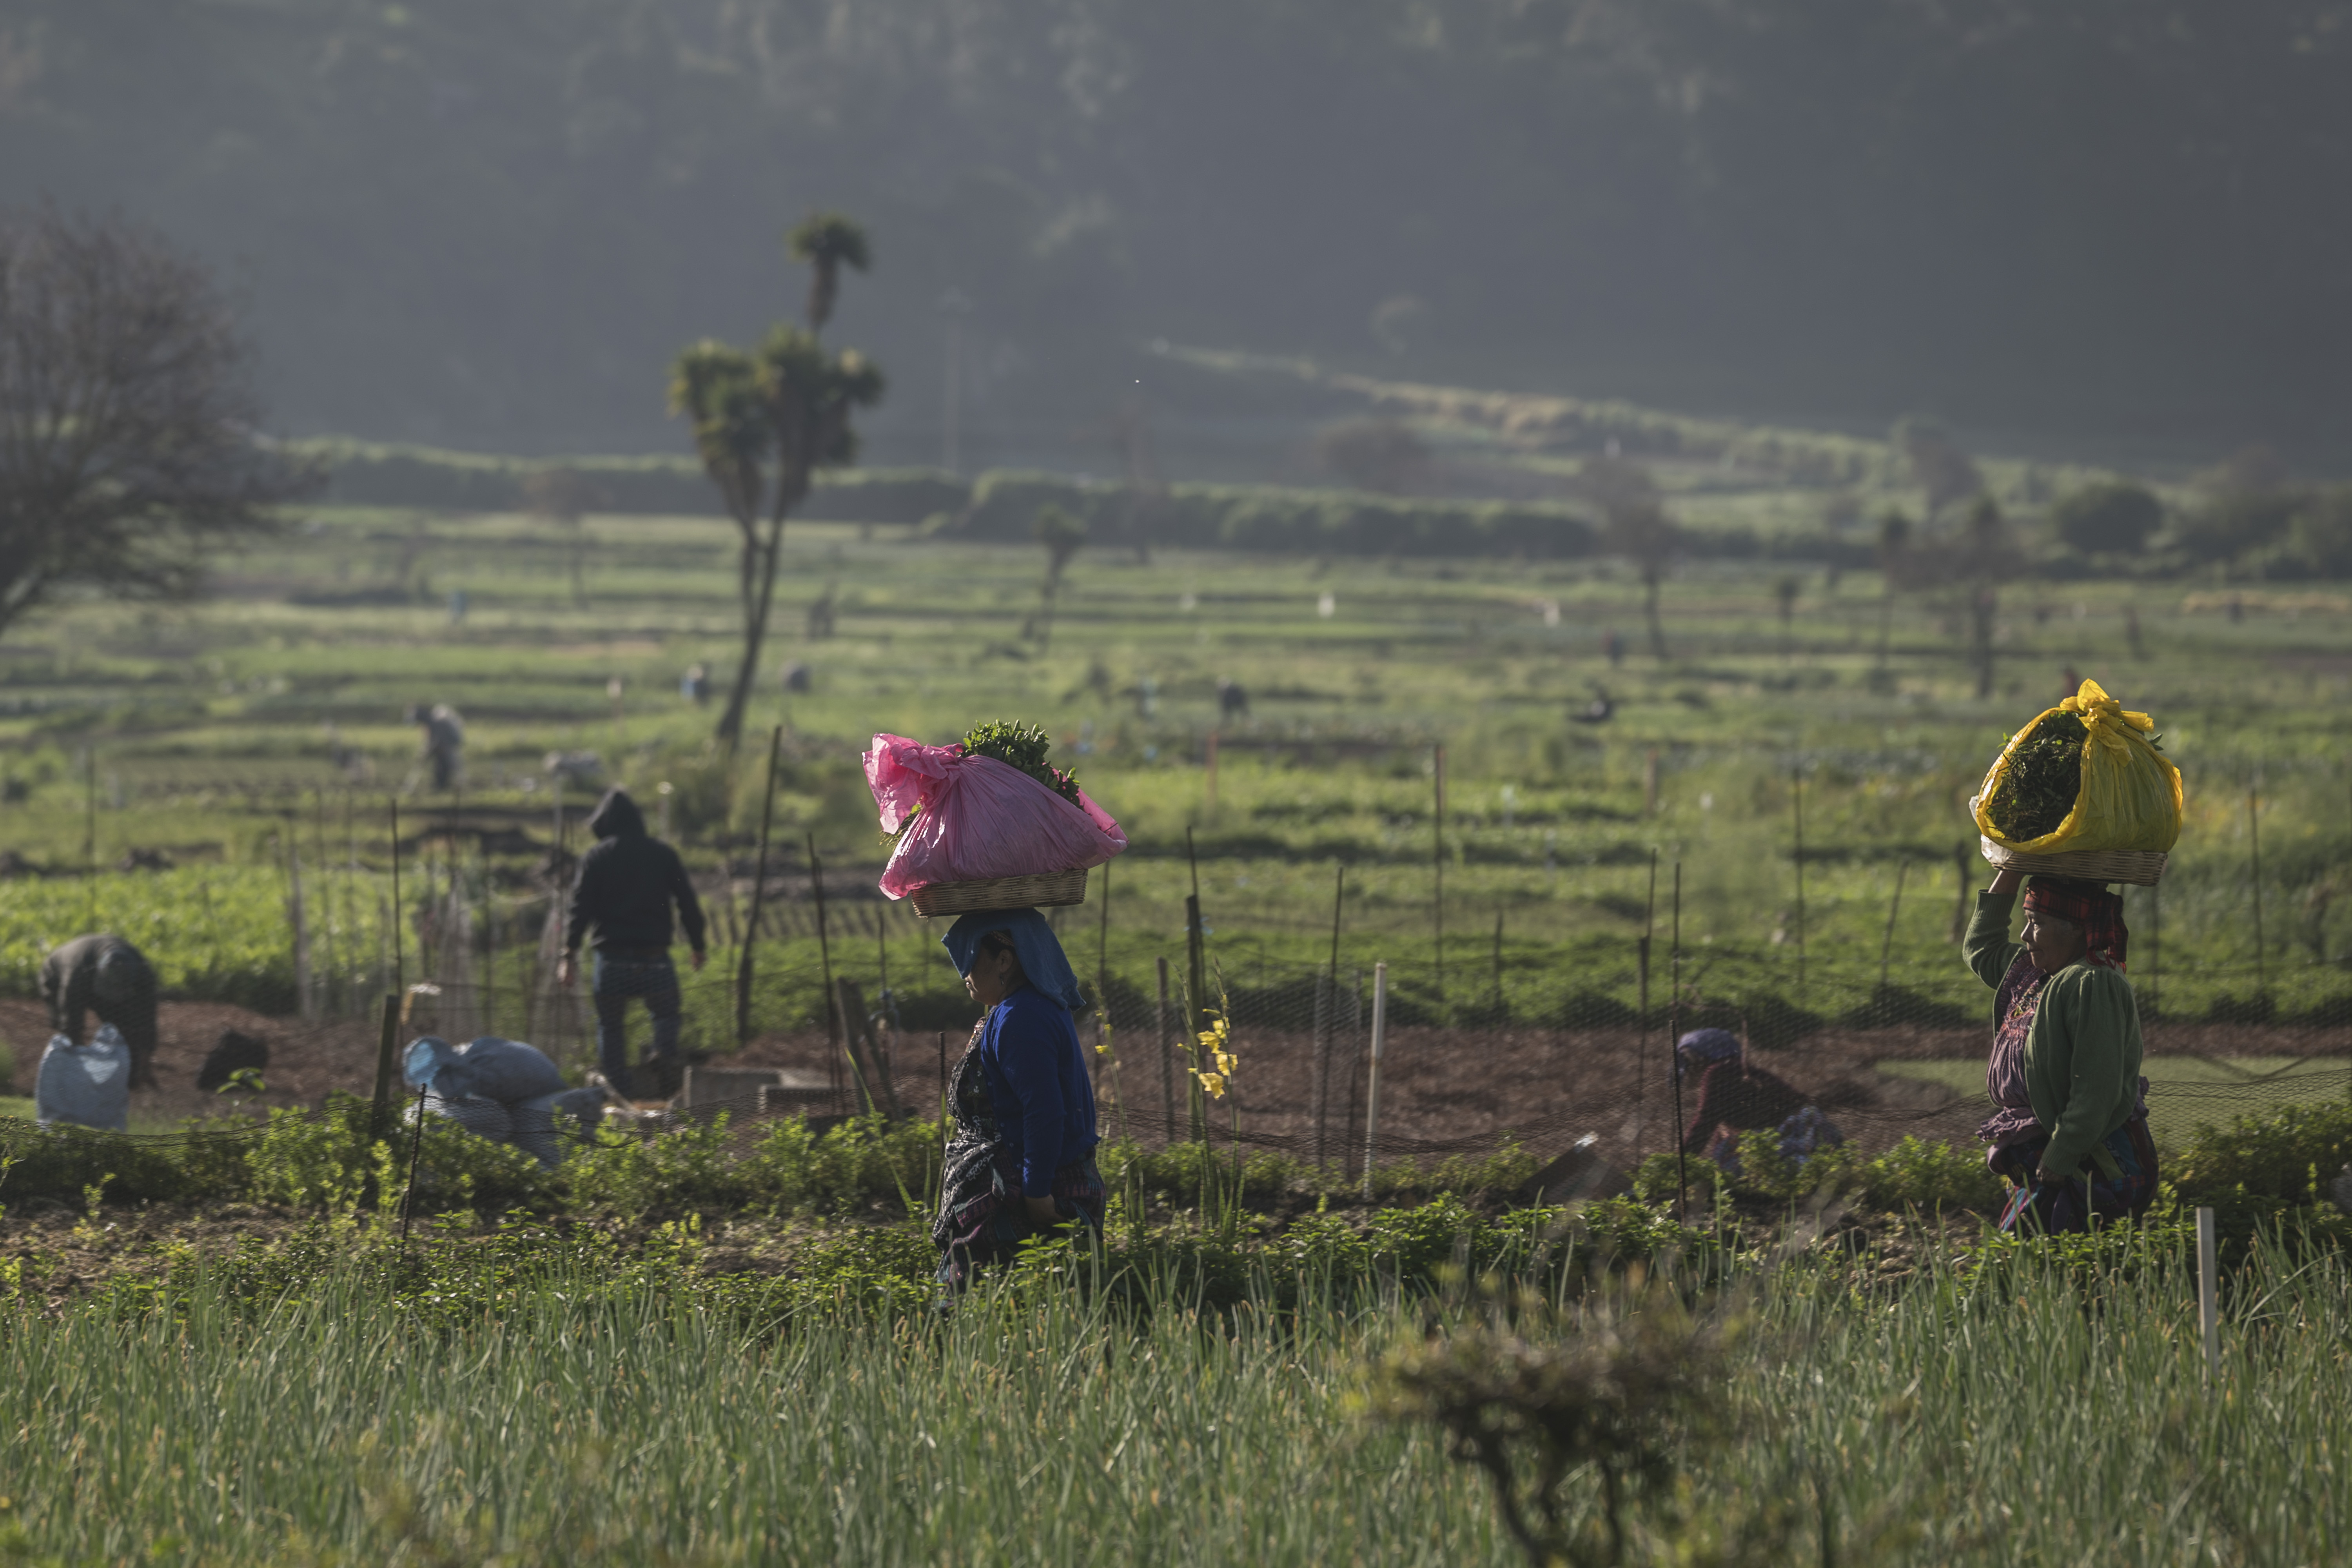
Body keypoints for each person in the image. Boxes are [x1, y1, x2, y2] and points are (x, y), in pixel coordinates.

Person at [1965, 868, 2155, 1232]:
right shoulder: (2032, 974)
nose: (2024, 936)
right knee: (2031, 1272)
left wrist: (2063, 1153)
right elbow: (1981, 949)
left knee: (2061, 1273)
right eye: (2026, 921)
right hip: (2048, 1159)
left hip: (2091, 1161)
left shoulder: (2092, 982)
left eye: (2036, 923)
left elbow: (2098, 1085)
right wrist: (2012, 868)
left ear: (2076, 928)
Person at [933, 909, 1106, 1292]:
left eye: (970, 962)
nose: (965, 976)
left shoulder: (1021, 1017)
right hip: (1048, 1172)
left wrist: (1037, 1191)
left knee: (990, 1304)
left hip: (1034, 1187)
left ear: (1005, 960)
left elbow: (1043, 1112)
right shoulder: (1033, 1007)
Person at [555, 788, 708, 1098]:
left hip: (611, 961)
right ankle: (662, 1060)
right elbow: (687, 903)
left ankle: (618, 1094)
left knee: (611, 1026)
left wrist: (569, 953)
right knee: (666, 1015)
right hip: (655, 958)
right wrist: (698, 945)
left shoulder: (596, 857)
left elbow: (580, 908)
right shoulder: (663, 855)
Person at [1675, 1027, 1842, 1175]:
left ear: (1700, 1057)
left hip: (1797, 1133)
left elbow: (1705, 1122)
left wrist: (1679, 1165)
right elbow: (1721, 1128)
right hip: (1808, 1130)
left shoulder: (1718, 1072)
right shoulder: (1735, 1070)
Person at [41, 933, 159, 1090]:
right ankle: (67, 1078)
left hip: (96, 978)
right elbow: (70, 1023)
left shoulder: (143, 973)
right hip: (56, 975)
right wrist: (79, 1067)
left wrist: (145, 1066)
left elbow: (147, 1021)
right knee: (67, 1031)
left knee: (126, 1028)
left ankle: (129, 1080)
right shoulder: (76, 974)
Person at [406, 702, 465, 791]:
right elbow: (430, 740)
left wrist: (425, 752)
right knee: (440, 766)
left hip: (448, 745)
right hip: (443, 745)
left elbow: (434, 740)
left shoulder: (439, 721)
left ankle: (460, 786)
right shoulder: (431, 722)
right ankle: (441, 786)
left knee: (453, 766)